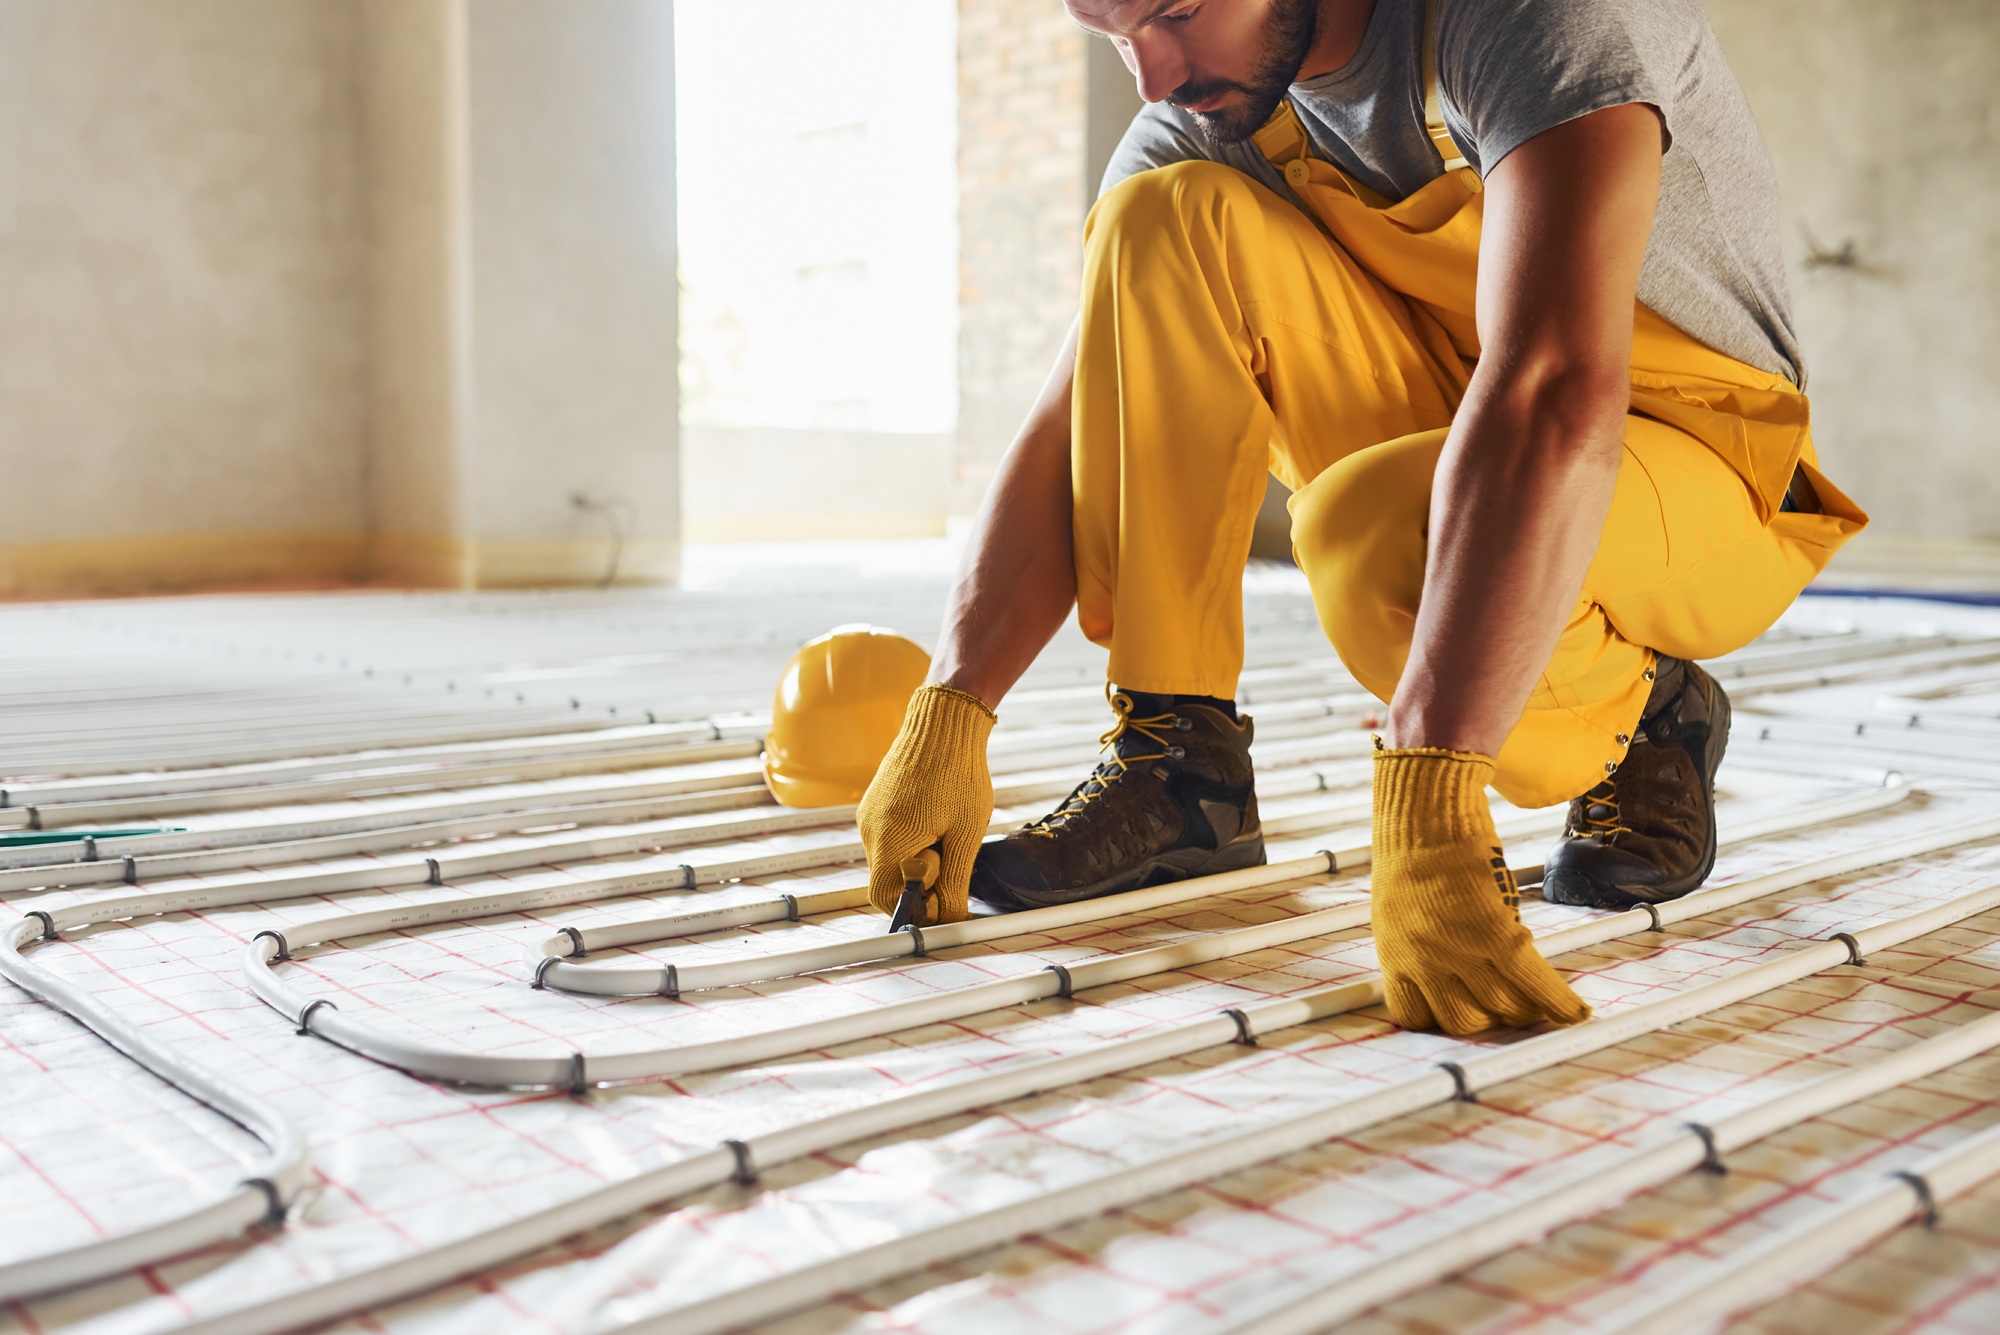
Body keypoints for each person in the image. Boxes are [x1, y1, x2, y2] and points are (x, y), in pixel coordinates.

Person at [855, 0, 1866, 1037]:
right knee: (1154, 216)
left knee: (1379, 538)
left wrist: (1429, 791)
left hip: (1689, 451)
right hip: (1459, 415)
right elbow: (1078, 416)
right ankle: (1178, 766)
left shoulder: (1528, 16)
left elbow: (1553, 387)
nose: (1153, 74)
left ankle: (1647, 709)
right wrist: (953, 708)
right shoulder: (1209, 109)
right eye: (1113, 32)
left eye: (1177, 11)